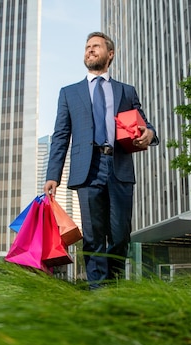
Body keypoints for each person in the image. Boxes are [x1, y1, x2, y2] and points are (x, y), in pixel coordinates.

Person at [43, 32, 159, 289]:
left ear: (110, 54)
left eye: (96, 46)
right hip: (88, 169)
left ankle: (114, 285)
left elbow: (144, 123)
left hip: (118, 167)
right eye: (87, 47)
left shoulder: (125, 91)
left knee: (119, 235)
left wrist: (148, 134)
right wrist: (53, 175)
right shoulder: (69, 93)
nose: (90, 50)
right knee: (93, 235)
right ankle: (98, 293)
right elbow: (61, 136)